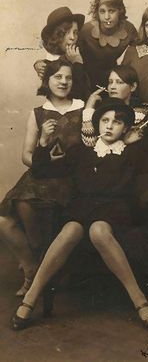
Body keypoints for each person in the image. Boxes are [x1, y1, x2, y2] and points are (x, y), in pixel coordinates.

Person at [11, 99, 148, 333]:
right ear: (98, 123)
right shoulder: (81, 152)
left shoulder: (131, 153)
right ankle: (31, 298)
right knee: (70, 229)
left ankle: (139, 300)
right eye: (105, 121)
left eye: (117, 122)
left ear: (126, 128)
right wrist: (42, 142)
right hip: (82, 208)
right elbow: (42, 169)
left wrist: (133, 144)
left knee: (98, 230)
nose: (109, 126)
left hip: (115, 211)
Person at [0, 59, 85, 297]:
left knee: (32, 208)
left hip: (69, 179)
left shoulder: (82, 108)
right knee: (4, 219)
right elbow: (26, 156)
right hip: (40, 175)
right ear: (46, 81)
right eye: (58, 77)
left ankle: (41, 269)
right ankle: (32, 267)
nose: (64, 82)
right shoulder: (37, 113)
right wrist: (43, 141)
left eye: (68, 77)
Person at [78, 0, 138, 91]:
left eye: (111, 11)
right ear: (97, 13)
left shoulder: (129, 29)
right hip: (85, 79)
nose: (107, 17)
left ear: (120, 11)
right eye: (102, 11)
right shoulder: (86, 31)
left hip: (113, 80)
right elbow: (67, 52)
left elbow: (140, 51)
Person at [81, 65, 148, 147]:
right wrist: (89, 108)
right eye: (110, 82)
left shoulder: (141, 110)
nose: (112, 87)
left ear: (133, 87)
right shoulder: (101, 109)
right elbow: (90, 142)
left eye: (119, 82)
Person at [34, 6, 90, 101]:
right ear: (56, 35)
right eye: (67, 32)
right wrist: (78, 65)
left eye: (75, 32)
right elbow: (76, 95)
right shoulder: (51, 62)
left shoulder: (80, 54)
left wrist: (78, 62)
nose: (73, 37)